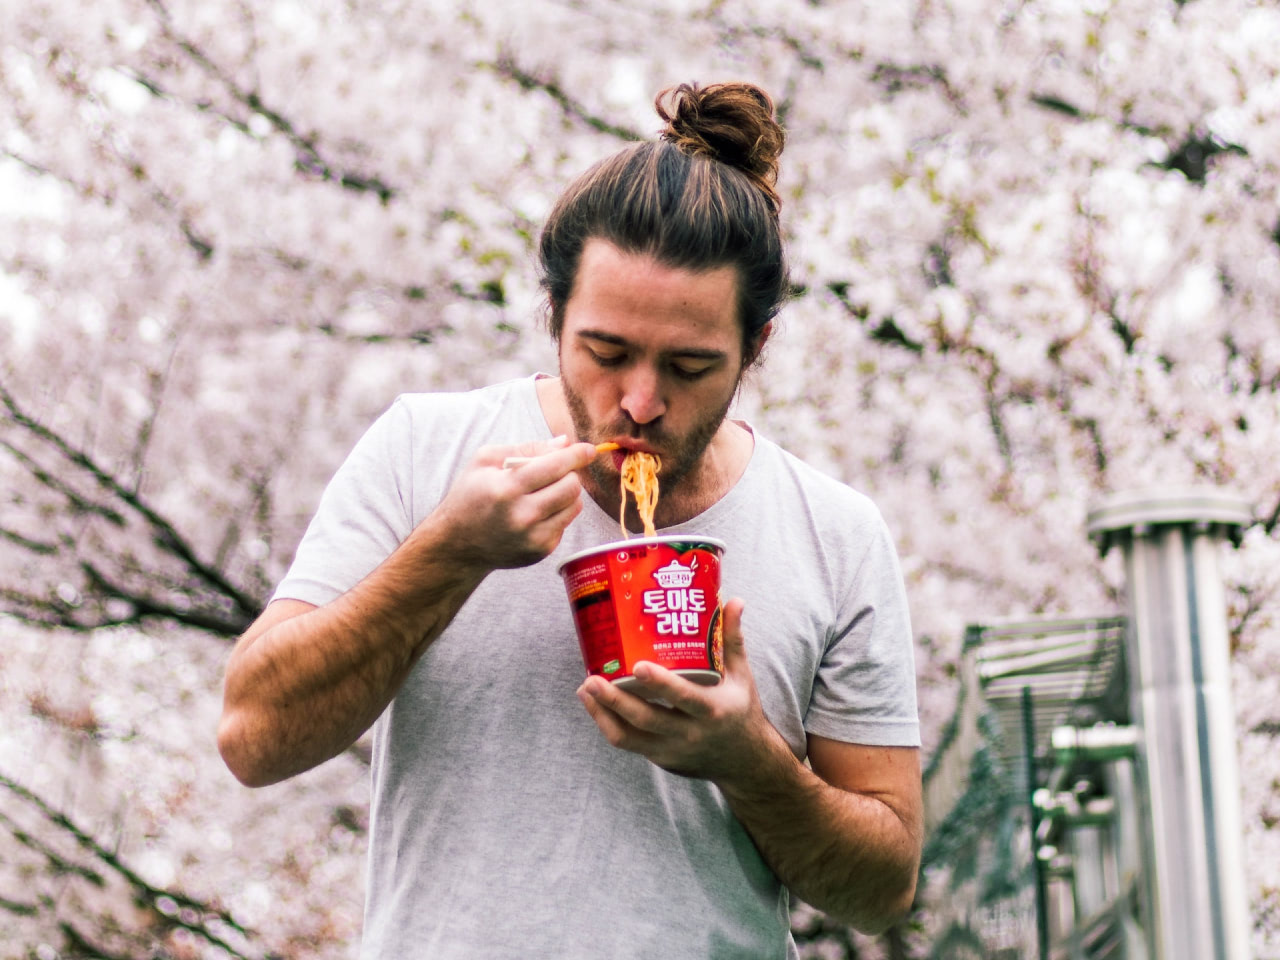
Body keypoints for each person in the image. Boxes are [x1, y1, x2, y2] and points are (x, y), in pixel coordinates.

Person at [218, 81, 922, 959]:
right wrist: (449, 552)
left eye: (691, 366)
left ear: (757, 346)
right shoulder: (423, 451)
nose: (640, 401)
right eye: (606, 352)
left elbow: (884, 887)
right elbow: (253, 737)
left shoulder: (834, 534)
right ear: (554, 316)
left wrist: (746, 758)